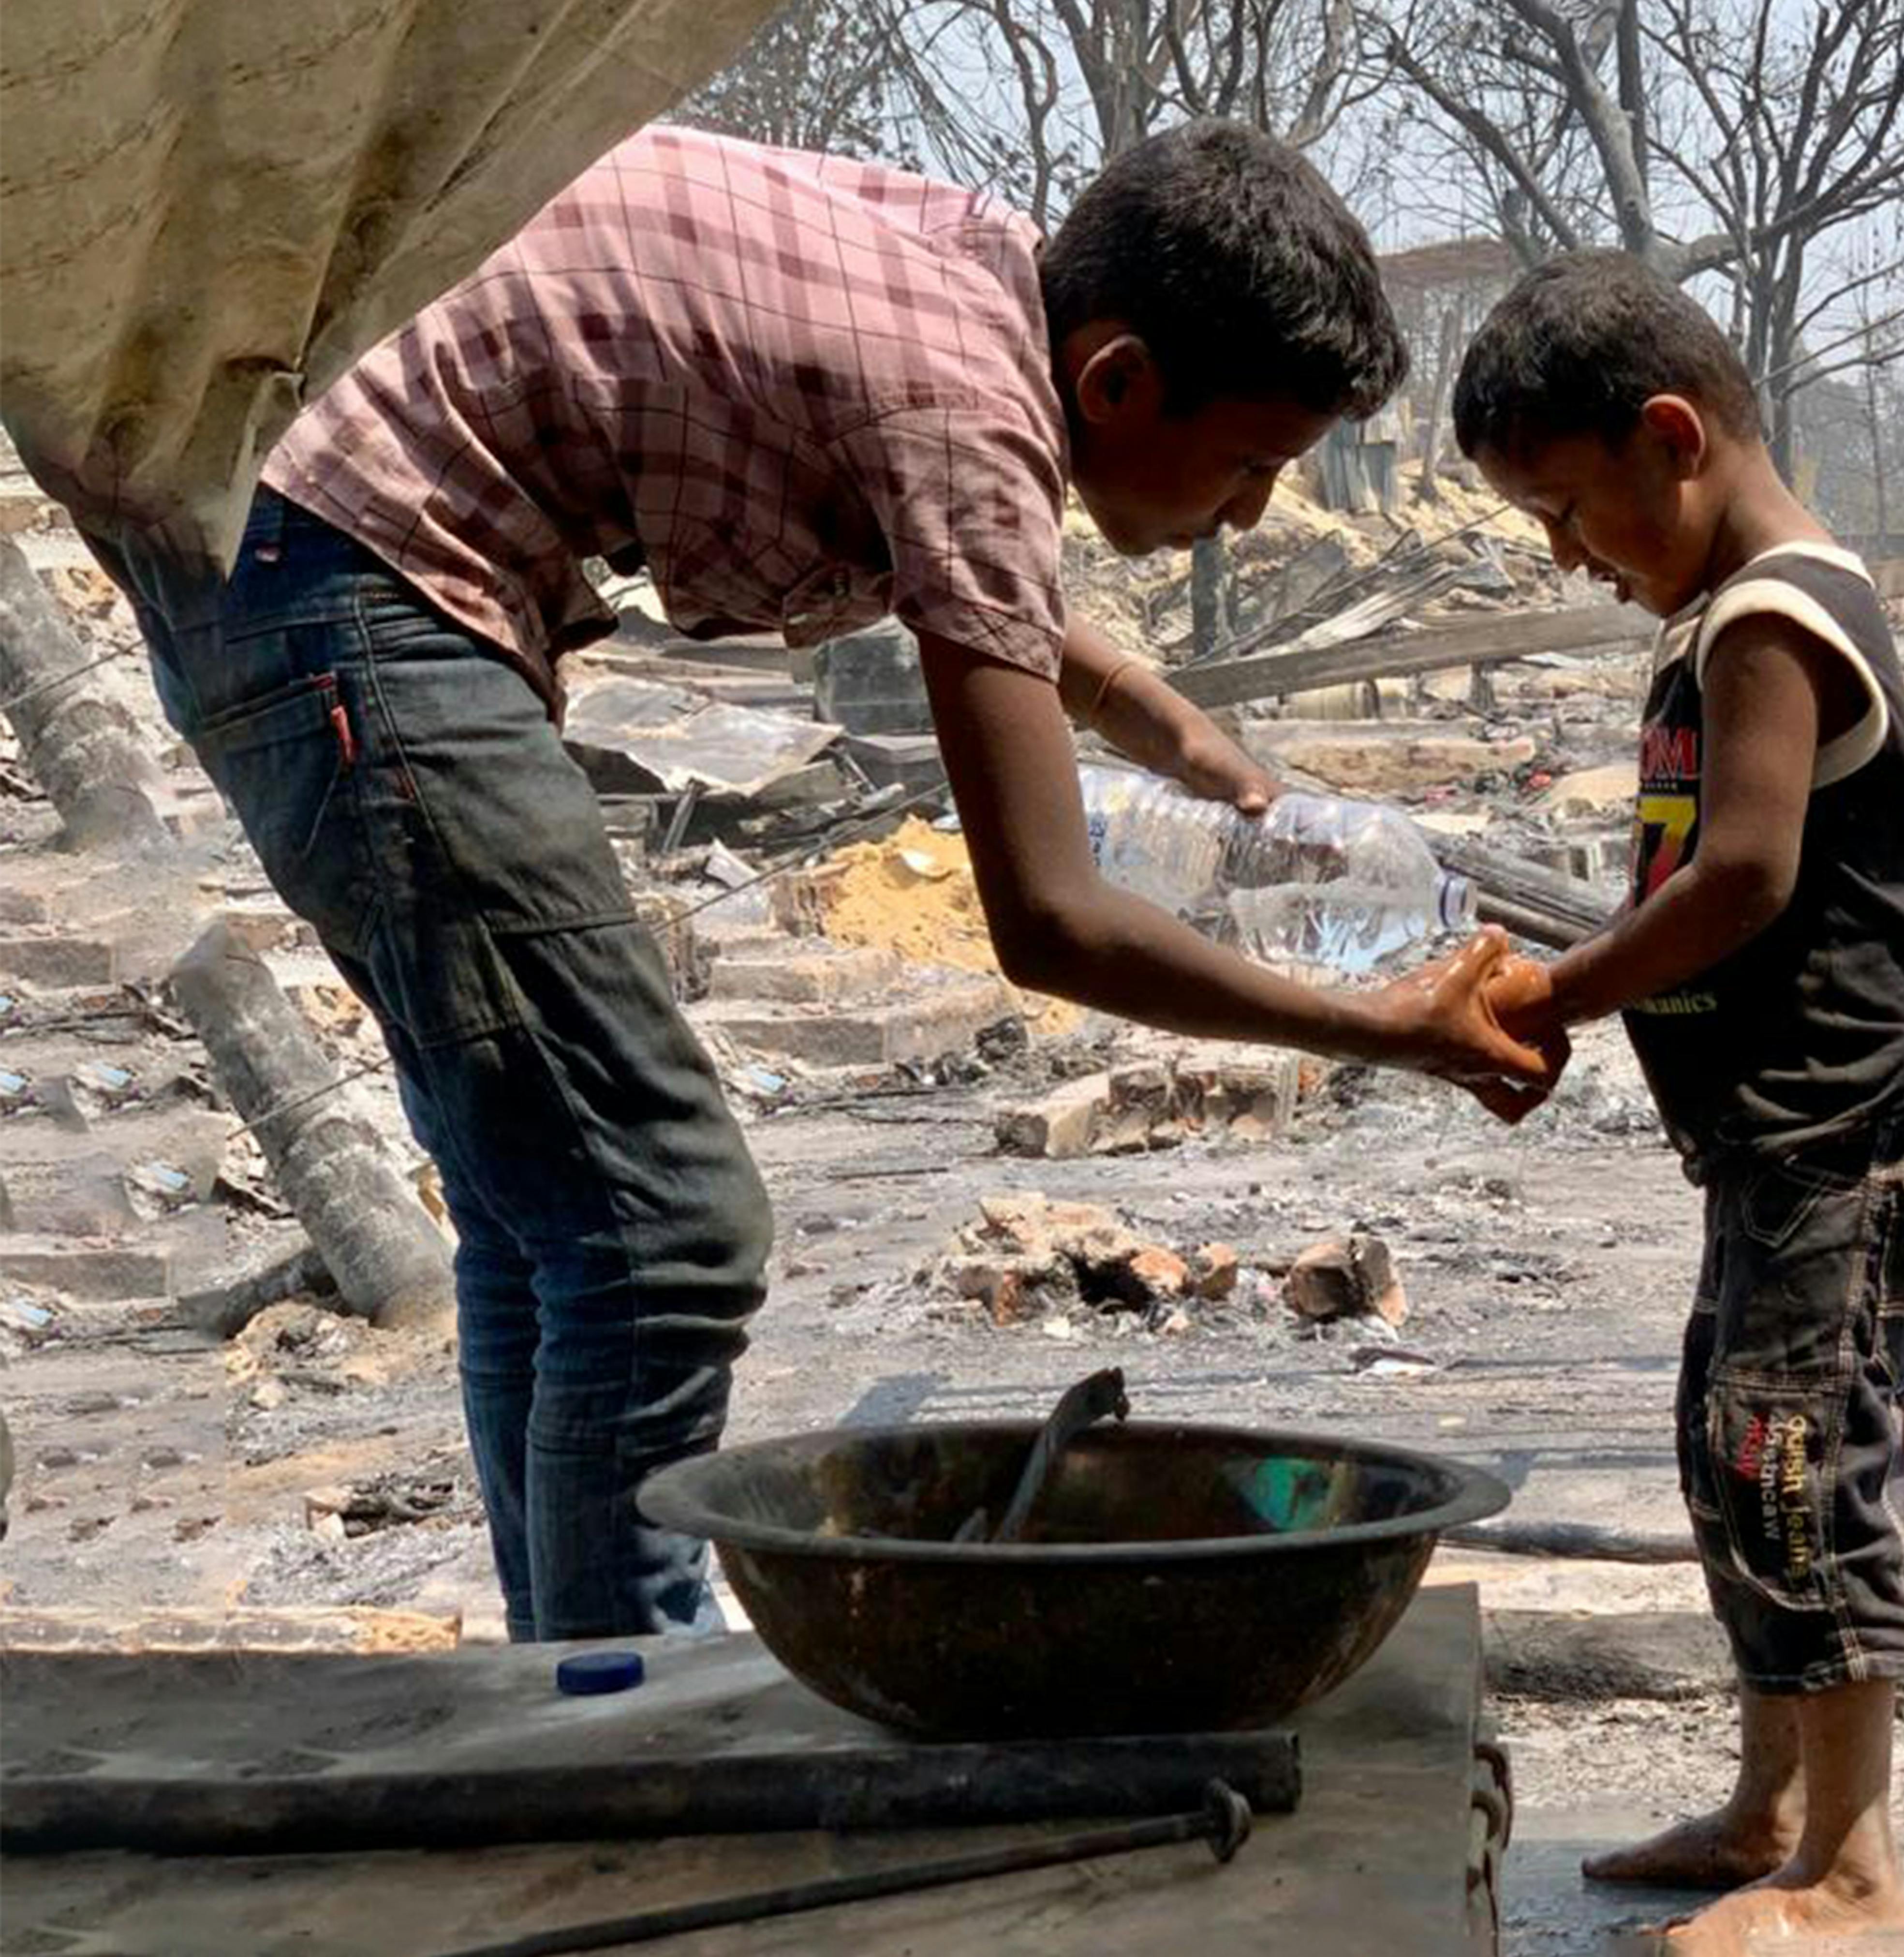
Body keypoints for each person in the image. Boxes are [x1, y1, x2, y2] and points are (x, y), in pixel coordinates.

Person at [114, 119, 1557, 1645]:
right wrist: (1379, 1026)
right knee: (662, 1224)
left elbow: (959, 565)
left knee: (550, 1220)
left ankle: (573, 1693)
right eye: (1257, 463)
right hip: (354, 570)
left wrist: (1158, 722)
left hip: (282, 532)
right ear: (1118, 379)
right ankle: (626, 1725)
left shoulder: (977, 277)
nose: (1257, 510)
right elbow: (1052, 924)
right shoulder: (972, 412)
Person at [1454, 253, 1904, 1956]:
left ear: (1672, 437)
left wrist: (1559, 988)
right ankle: (1774, 1807)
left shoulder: (1775, 616)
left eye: (1566, 508)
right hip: (1781, 1146)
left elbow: (1748, 876)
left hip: (1853, 1140)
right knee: (1734, 1458)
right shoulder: (1721, 617)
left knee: (1800, 1470)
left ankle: (1857, 1869)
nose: (1564, 554)